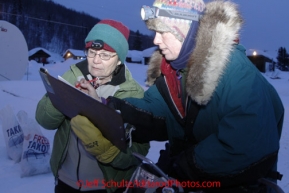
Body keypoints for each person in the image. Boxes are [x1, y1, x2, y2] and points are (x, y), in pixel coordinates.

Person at [73, 0, 285, 192]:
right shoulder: (174, 72)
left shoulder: (237, 75)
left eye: (162, 31)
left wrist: (182, 165)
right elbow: (152, 110)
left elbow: (245, 147)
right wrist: (104, 106)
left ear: (189, 32)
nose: (156, 40)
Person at [35, 19, 149, 193]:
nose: (96, 60)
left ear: (119, 59)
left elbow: (138, 152)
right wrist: (64, 92)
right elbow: (44, 121)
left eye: (105, 55)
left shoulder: (132, 93)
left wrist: (108, 151)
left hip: (105, 187)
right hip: (65, 181)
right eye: (91, 52)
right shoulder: (72, 75)